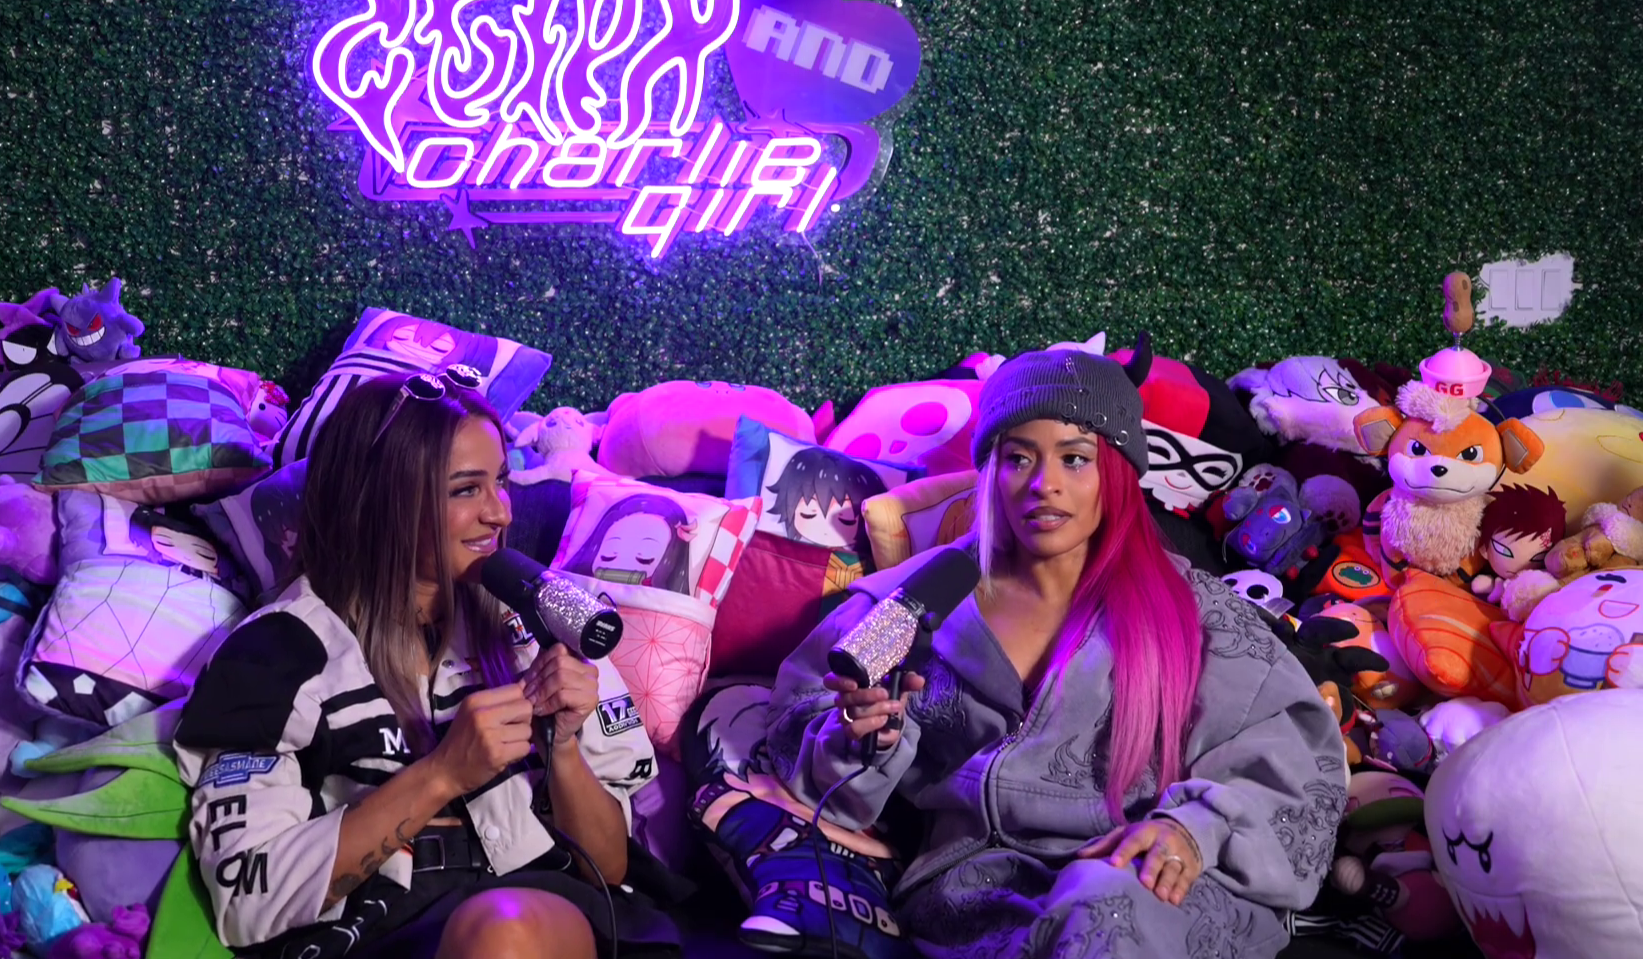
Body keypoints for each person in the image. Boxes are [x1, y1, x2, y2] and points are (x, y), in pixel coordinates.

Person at [767, 349, 1347, 958]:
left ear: (1115, 471)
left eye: (1075, 458)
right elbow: (801, 734)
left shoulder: (1193, 612)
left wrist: (1195, 828)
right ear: (991, 471)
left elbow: (1297, 764)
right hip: (972, 899)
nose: (1045, 483)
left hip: (1143, 884)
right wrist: (864, 739)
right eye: (1018, 458)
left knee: (1101, 904)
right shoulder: (912, 599)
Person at [172, 366, 674, 959]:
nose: (500, 514)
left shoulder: (544, 615)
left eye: (501, 482)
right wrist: (442, 774)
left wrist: (561, 746)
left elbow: (608, 870)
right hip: (376, 934)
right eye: (465, 490)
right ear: (378, 503)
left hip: (540, 916)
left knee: (501, 930)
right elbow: (247, 902)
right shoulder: (276, 653)